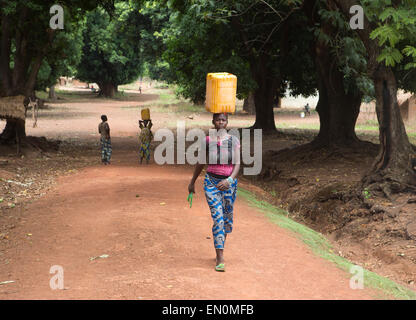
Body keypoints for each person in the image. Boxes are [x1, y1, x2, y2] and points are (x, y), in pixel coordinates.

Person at [188, 113, 240, 272]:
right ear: (213, 122)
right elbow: (200, 162)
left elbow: (237, 163)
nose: (221, 122)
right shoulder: (207, 140)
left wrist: (229, 180)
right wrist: (192, 181)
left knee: (226, 221)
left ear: (227, 122)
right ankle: (220, 256)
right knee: (218, 218)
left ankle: (220, 246)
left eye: (223, 120)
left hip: (229, 185)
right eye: (218, 120)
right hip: (211, 183)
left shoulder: (234, 141)